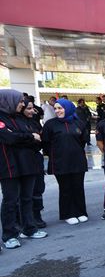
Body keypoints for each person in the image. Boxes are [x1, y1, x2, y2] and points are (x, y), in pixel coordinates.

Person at [0, 90, 48, 250]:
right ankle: (9, 235)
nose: (22, 104)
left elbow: (37, 139)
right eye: (20, 101)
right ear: (9, 101)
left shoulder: (21, 119)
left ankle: (29, 228)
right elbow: (9, 138)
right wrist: (28, 137)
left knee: (27, 198)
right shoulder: (1, 119)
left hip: (28, 165)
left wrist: (25, 137)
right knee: (10, 201)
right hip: (9, 167)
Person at [42, 99, 89, 225]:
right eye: (56, 108)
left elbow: (83, 141)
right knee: (65, 188)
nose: (57, 111)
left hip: (78, 161)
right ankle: (68, 213)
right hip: (60, 162)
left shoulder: (79, 123)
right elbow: (46, 144)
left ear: (68, 108)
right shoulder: (50, 124)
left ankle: (80, 212)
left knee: (78, 187)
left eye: (60, 108)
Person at [20, 99, 47, 229]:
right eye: (29, 108)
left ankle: (37, 215)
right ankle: (25, 219)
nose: (32, 111)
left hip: (36, 159)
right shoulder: (17, 123)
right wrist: (32, 138)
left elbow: (41, 140)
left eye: (33, 108)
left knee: (38, 189)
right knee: (26, 192)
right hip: (24, 161)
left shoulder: (34, 123)